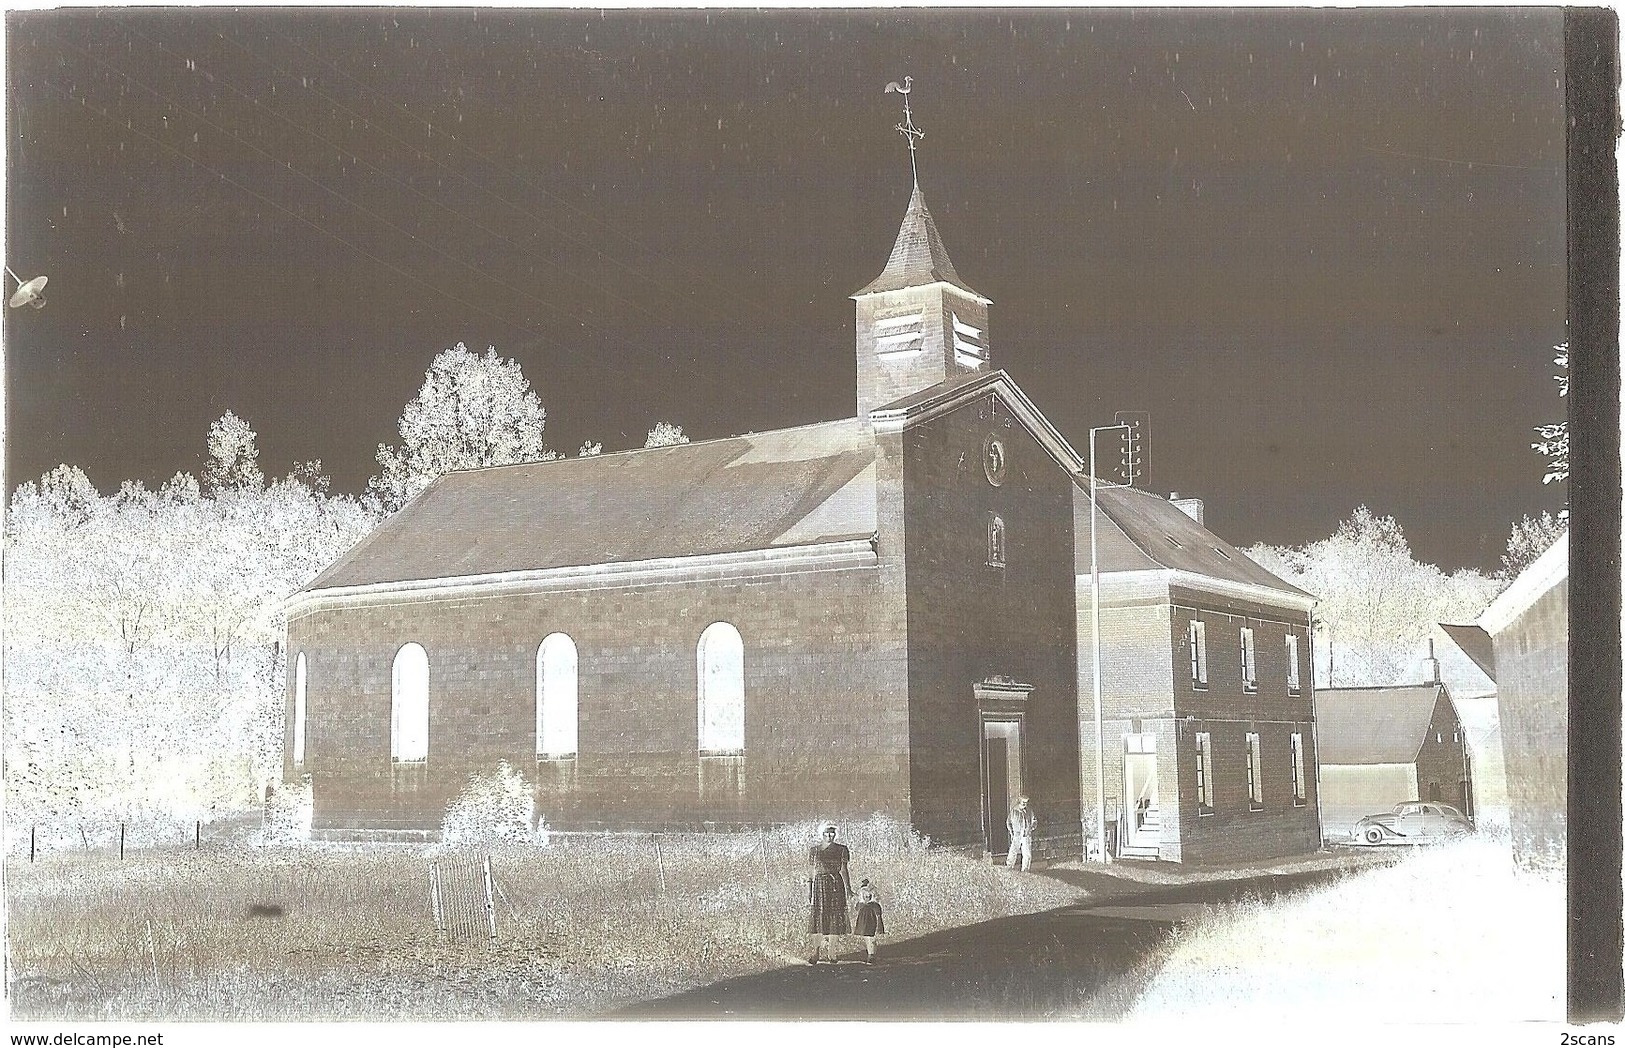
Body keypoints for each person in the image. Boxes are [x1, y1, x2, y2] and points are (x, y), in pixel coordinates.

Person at [806, 824, 853, 963]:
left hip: (835, 886)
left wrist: (848, 888)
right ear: (821, 834)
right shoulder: (814, 851)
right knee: (818, 918)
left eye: (832, 833)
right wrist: (809, 888)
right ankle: (816, 953)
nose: (829, 836)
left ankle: (832, 953)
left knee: (834, 918)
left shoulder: (841, 850)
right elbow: (811, 871)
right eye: (826, 833)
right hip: (819, 886)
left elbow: (844, 870)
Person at [852, 878, 886, 964]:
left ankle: (872, 954)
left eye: (869, 896)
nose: (867, 898)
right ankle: (870, 953)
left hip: (872, 924)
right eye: (865, 896)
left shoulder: (874, 906)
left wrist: (879, 925)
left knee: (871, 939)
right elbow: (856, 908)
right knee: (867, 939)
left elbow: (878, 915)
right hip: (864, 924)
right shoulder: (861, 905)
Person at [1006, 795, 1036, 871]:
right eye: (1023, 802)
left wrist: (1030, 829)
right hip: (1017, 834)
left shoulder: (1029, 811)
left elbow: (1034, 821)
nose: (1024, 804)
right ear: (1019, 801)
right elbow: (1008, 822)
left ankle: (1025, 869)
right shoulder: (1014, 811)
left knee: (1027, 853)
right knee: (1013, 850)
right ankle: (1009, 866)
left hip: (1026, 835)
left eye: (1026, 802)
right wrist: (1012, 832)